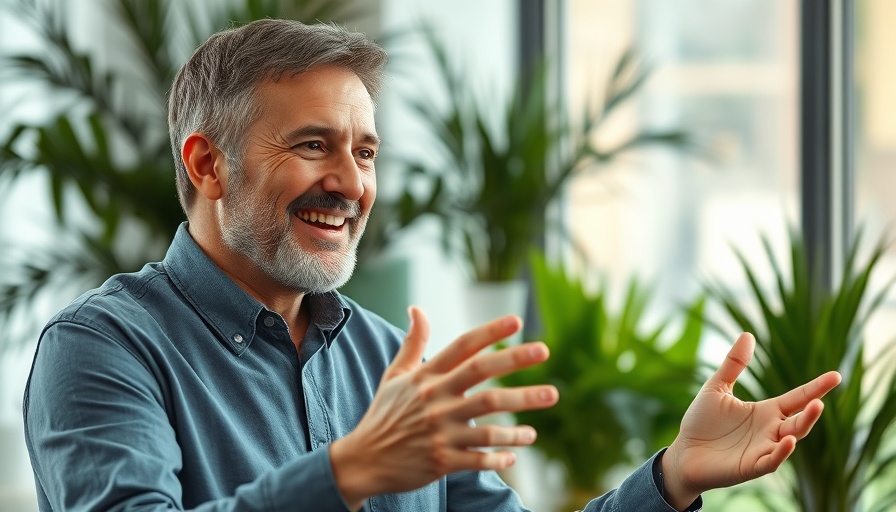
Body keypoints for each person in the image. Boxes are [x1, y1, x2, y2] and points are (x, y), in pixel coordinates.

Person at [23, 19, 841, 512]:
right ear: (208, 165)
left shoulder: (386, 359)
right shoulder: (102, 349)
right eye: (314, 145)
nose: (350, 183)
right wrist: (347, 473)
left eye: (365, 152)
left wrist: (669, 479)